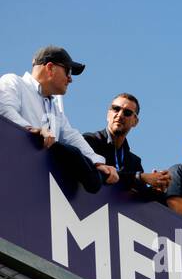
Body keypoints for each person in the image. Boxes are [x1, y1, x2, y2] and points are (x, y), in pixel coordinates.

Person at [0, 46, 117, 192]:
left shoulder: (54, 107)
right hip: (11, 176)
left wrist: (97, 162)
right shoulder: (13, 82)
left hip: (36, 185)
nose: (70, 79)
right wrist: (32, 130)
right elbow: (4, 110)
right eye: (68, 71)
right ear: (50, 68)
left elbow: (71, 135)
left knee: (75, 154)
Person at [81, 93, 170, 197]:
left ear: (135, 122)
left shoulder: (134, 161)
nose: (120, 114)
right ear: (108, 114)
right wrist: (140, 177)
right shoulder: (90, 141)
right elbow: (93, 173)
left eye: (127, 112)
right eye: (116, 109)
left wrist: (157, 187)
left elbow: (140, 197)